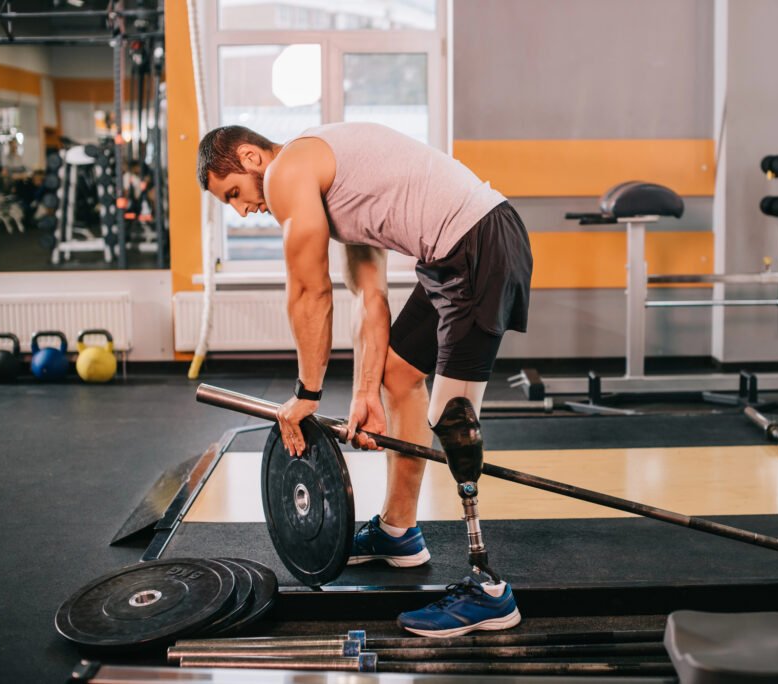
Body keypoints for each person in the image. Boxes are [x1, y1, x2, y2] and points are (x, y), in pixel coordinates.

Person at [197, 122, 532, 637]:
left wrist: (306, 396)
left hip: (478, 243)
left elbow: (310, 290)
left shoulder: (289, 169)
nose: (244, 210)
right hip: (454, 252)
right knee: (398, 376)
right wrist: (363, 394)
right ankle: (399, 532)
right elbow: (369, 299)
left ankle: (486, 588)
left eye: (235, 193)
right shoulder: (337, 183)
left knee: (452, 419)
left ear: (250, 157)